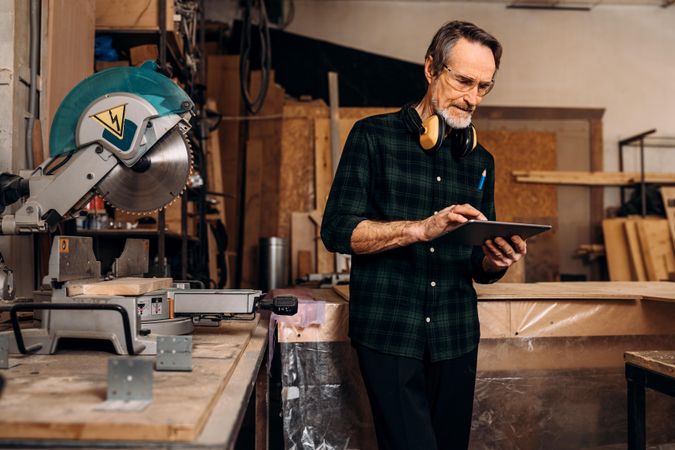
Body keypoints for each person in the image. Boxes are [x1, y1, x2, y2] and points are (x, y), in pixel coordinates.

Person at [320, 21, 527, 450]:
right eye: (463, 81)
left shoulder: (479, 160)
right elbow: (337, 230)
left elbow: (477, 264)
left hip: (455, 337)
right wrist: (421, 228)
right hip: (389, 333)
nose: (472, 98)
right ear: (431, 68)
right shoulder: (372, 137)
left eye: (484, 87)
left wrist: (494, 259)